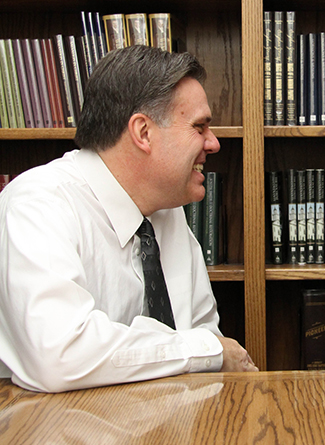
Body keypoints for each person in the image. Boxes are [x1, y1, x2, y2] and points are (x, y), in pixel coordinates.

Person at [0, 45, 258, 393]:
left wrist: (206, 349)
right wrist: (207, 350)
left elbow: (202, 337)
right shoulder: (38, 205)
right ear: (143, 132)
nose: (213, 143)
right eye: (199, 127)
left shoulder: (169, 214)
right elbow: (59, 356)